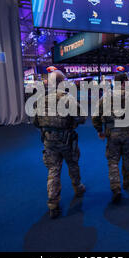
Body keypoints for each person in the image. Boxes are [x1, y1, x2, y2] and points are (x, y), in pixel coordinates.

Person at [33, 70, 86, 219]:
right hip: (67, 140)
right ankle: (78, 188)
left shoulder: (40, 100)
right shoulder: (68, 99)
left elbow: (35, 122)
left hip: (49, 141)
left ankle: (53, 203)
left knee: (53, 170)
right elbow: (81, 118)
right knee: (73, 164)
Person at [92, 74, 129, 203]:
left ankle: (116, 188)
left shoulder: (105, 97)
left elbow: (95, 117)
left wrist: (100, 130)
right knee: (127, 157)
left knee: (113, 161)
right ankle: (127, 181)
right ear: (124, 82)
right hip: (128, 132)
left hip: (112, 134)